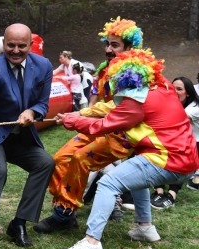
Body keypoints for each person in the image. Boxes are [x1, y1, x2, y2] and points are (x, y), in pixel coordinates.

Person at [58, 49, 199, 249]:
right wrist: (80, 113)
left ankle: (91, 241)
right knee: (132, 177)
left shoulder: (136, 102)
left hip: (166, 159)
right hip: (187, 160)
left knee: (108, 183)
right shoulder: (163, 87)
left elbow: (104, 125)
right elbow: (111, 108)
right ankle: (145, 227)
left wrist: (72, 120)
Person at [34, 17, 143, 235]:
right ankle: (65, 209)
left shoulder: (135, 73)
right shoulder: (105, 69)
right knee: (59, 159)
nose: (108, 49)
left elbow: (118, 106)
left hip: (122, 134)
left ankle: (63, 215)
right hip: (99, 127)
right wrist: (82, 116)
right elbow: (96, 95)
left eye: (115, 45)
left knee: (80, 160)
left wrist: (81, 114)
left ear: (129, 47)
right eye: (107, 43)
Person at [0, 24, 55, 249]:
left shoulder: (44, 66)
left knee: (44, 163)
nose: (15, 50)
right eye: (10, 45)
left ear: (31, 46)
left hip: (18, 135)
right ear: (3, 44)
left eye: (21, 46)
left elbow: (43, 103)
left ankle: (19, 224)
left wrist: (32, 112)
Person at [150, 76, 199, 204]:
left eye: (179, 89)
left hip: (194, 144)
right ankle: (159, 192)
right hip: (177, 139)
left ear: (187, 93)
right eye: (172, 88)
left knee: (181, 158)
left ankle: (172, 195)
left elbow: (173, 120)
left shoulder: (195, 108)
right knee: (155, 149)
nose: (175, 91)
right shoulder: (171, 103)